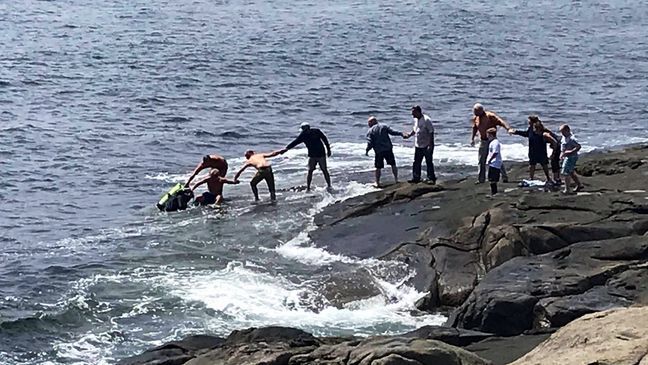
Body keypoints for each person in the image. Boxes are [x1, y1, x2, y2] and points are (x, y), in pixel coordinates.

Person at [280, 122, 332, 191]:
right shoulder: (309, 133)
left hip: (317, 155)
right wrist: (286, 149)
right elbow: (295, 142)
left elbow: (324, 139)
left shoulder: (310, 133)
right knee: (316, 170)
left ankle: (324, 186)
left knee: (318, 170)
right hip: (315, 154)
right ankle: (311, 187)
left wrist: (328, 150)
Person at [509, 115, 557, 184]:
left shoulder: (541, 129)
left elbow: (551, 136)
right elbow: (526, 134)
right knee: (532, 165)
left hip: (541, 150)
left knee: (544, 165)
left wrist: (553, 147)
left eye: (529, 120)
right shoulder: (530, 128)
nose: (528, 122)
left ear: (532, 121)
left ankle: (548, 178)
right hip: (532, 150)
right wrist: (516, 132)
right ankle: (531, 178)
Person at [470, 103, 510, 184]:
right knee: (481, 160)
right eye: (474, 112)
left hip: (492, 140)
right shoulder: (476, 118)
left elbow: (501, 122)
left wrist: (508, 128)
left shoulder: (490, 116)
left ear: (481, 110)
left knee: (496, 158)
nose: (475, 113)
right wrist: (472, 138)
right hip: (483, 141)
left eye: (477, 112)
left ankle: (504, 176)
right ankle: (481, 179)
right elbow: (474, 128)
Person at [365, 116, 407, 187]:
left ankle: (377, 183)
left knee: (378, 167)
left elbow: (370, 143)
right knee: (393, 164)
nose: (368, 124)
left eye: (369, 122)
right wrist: (401, 133)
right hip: (388, 149)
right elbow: (392, 132)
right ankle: (396, 179)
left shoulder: (370, 131)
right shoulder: (384, 126)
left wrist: (367, 150)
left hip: (379, 151)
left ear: (372, 122)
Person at [404, 105, 436, 184]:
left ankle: (431, 178)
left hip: (426, 144)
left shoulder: (426, 120)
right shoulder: (416, 120)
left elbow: (431, 132)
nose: (412, 115)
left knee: (429, 161)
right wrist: (409, 135)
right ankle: (416, 177)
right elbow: (415, 130)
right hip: (418, 145)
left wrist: (430, 145)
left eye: (413, 113)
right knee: (416, 162)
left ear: (418, 112)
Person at [559, 124, 584, 194]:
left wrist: (571, 151)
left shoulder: (572, 139)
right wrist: (562, 154)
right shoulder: (564, 138)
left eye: (563, 132)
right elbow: (563, 148)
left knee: (565, 171)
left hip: (572, 157)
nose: (562, 134)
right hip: (567, 156)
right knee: (571, 172)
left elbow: (578, 146)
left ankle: (567, 189)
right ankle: (579, 185)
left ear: (568, 130)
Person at [486, 128, 502, 195]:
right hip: (493, 163)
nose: (487, 136)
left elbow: (495, 152)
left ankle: (494, 193)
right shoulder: (492, 142)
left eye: (488, 135)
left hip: (495, 163)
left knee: (493, 179)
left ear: (491, 135)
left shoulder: (495, 142)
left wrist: (490, 160)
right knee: (491, 178)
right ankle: (493, 192)